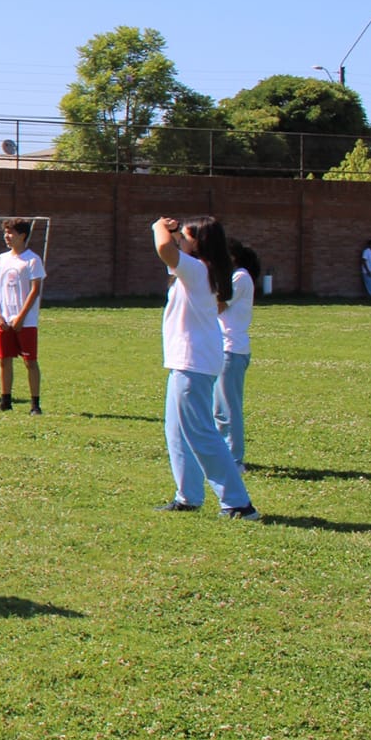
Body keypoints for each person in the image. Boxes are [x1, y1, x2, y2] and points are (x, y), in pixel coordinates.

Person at [153, 215, 257, 519]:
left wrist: (158, 226)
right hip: (187, 360)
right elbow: (172, 251)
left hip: (193, 361)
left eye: (185, 237)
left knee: (200, 432)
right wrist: (175, 233)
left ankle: (238, 503)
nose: (179, 241)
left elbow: (164, 248)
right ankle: (188, 496)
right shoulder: (199, 269)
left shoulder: (198, 270)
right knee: (176, 431)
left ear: (199, 243)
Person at [0, 218, 45, 414]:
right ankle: (6, 401)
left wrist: (21, 317)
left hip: (25, 322)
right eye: (5, 232)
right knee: (4, 360)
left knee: (30, 362)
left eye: (10, 233)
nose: (7, 236)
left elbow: (35, 290)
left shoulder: (32, 260)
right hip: (4, 320)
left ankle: (35, 405)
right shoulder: (2, 259)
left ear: (22, 236)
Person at [214, 239, 259, 469]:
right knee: (219, 409)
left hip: (231, 350)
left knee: (228, 409)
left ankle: (234, 460)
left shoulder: (239, 277)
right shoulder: (235, 277)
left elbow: (218, 305)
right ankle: (224, 456)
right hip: (223, 349)